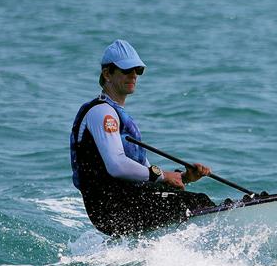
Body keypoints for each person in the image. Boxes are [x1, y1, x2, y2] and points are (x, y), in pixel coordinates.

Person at [70, 39, 215, 236]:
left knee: (190, 198)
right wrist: (164, 175)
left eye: (138, 70)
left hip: (128, 200)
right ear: (107, 73)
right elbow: (117, 165)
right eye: (126, 70)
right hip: (112, 208)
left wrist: (183, 177)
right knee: (197, 203)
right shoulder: (102, 113)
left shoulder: (116, 114)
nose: (133, 75)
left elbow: (144, 173)